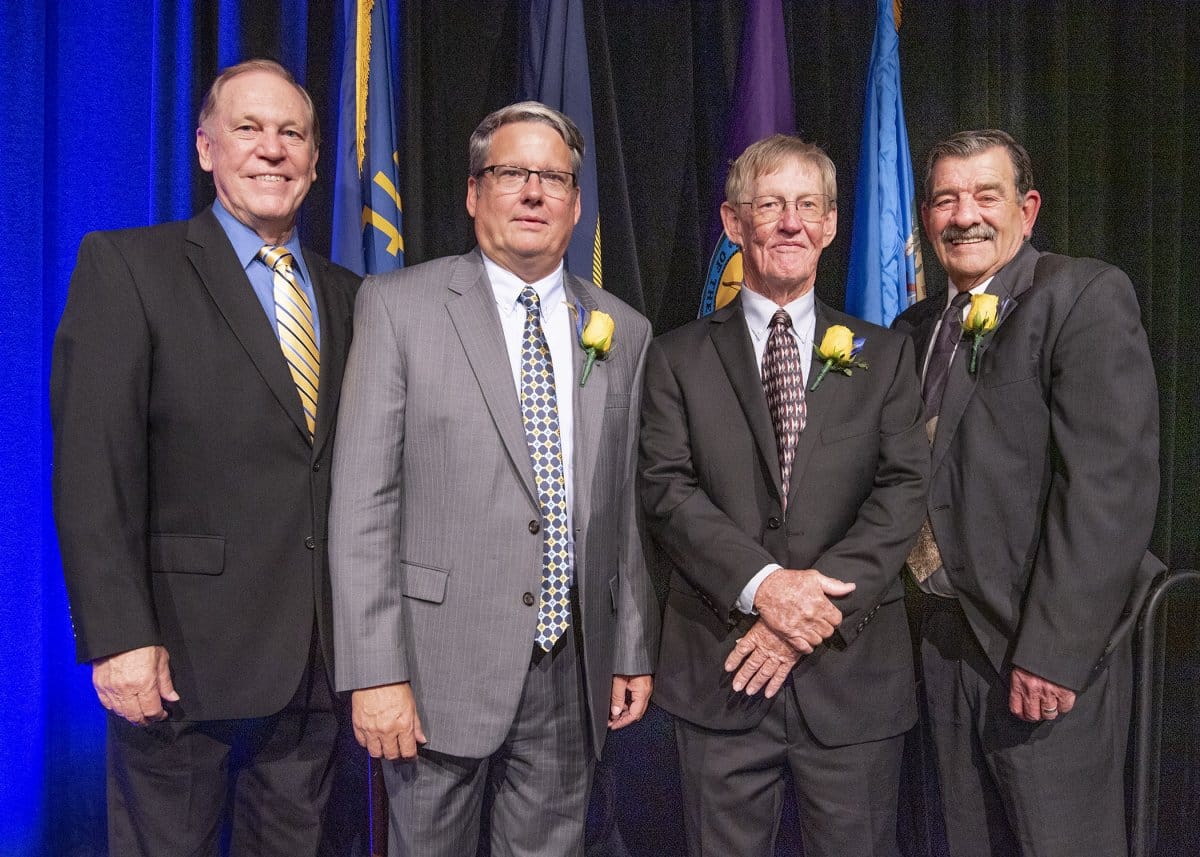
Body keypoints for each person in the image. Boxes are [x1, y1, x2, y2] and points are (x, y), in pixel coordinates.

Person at [328, 101, 657, 857]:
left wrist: (630, 640)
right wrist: (375, 672)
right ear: (475, 193)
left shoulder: (622, 329)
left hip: (571, 670)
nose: (535, 192)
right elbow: (363, 506)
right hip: (433, 671)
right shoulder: (399, 306)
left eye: (555, 178)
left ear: (576, 204)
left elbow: (622, 506)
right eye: (514, 173)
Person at [50, 60, 359, 856]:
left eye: (292, 133)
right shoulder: (129, 268)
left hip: (315, 674)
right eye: (249, 129)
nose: (272, 149)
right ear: (205, 148)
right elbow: (93, 472)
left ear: (317, 160)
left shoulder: (355, 296)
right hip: (179, 667)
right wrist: (119, 637)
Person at [639, 134, 929, 856]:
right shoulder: (673, 357)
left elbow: (901, 491)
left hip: (853, 679)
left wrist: (807, 612)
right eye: (769, 205)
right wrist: (765, 588)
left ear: (831, 225)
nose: (790, 222)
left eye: (808, 205)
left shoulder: (887, 355)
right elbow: (667, 489)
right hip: (720, 674)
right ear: (734, 223)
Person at [893, 129, 1162, 857]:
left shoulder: (1080, 294)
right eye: (946, 198)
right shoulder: (912, 329)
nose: (965, 214)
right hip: (940, 646)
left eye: (987, 194)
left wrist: (1053, 650)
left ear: (1028, 208)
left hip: (1035, 652)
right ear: (926, 216)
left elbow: (1109, 488)